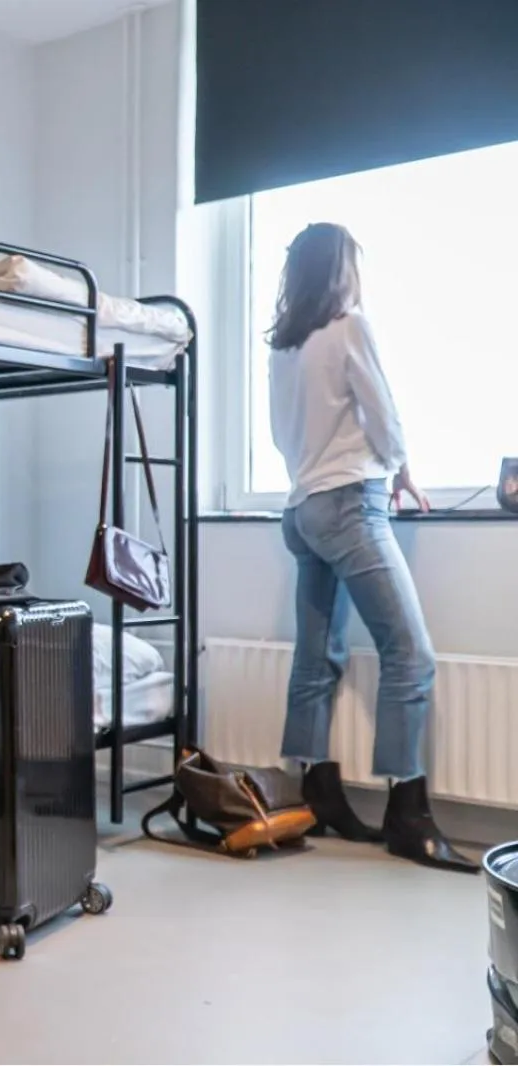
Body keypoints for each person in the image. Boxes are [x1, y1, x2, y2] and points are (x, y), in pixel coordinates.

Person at [266, 221, 474, 872]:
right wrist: (401, 467)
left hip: (300, 509)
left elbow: (285, 435)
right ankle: (407, 816)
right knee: (410, 654)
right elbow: (380, 413)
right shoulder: (350, 325)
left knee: (315, 658)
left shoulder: (283, 345)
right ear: (339, 270)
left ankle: (318, 792)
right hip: (350, 501)